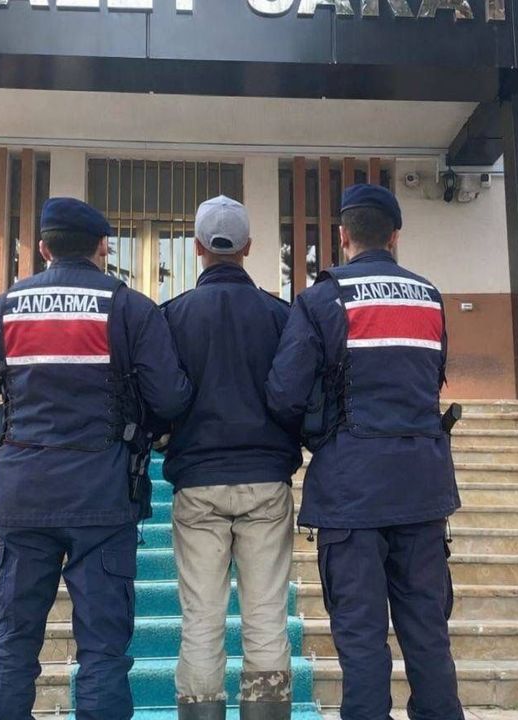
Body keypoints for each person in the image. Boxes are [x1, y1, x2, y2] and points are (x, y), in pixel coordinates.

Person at [0, 197, 193, 720]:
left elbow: (5, 383)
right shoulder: (129, 307)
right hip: (102, 496)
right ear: (104, 247)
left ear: (43, 248)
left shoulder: (4, 306)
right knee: (103, 651)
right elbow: (169, 397)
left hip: (22, 496)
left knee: (13, 641)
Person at [266, 184, 463, 720]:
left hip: (350, 491)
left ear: (342, 236)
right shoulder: (428, 296)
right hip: (422, 487)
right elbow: (430, 381)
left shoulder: (321, 299)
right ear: (395, 236)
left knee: (360, 638)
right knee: (428, 633)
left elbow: (284, 393)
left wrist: (315, 427)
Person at [160, 196, 302, 720]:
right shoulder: (280, 315)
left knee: (201, 620)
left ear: (197, 247)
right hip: (266, 480)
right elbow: (294, 394)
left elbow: (162, 397)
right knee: (266, 618)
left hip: (197, 482)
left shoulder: (172, 316)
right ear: (248, 247)